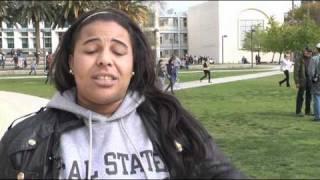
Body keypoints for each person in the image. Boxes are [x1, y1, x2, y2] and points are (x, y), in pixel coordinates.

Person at [0, 8, 245, 179]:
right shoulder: (25, 141)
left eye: (118, 52)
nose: (105, 60)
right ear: (71, 62)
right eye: (91, 49)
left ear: (133, 65)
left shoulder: (174, 125)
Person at [294, 48, 313, 117]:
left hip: (310, 80)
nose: (310, 54)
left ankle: (308, 111)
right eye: (308, 52)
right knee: (300, 96)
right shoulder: (299, 59)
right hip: (302, 80)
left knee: (309, 96)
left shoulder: (311, 58)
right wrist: (297, 82)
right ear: (305, 52)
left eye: (310, 53)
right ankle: (298, 111)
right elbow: (296, 71)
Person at [308, 43, 320, 121]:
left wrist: (312, 79)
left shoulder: (314, 59)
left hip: (317, 81)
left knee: (317, 98)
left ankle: (317, 116)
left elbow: (311, 72)